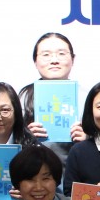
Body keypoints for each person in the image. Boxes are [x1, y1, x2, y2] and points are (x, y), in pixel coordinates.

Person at [18, 32, 83, 164]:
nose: (54, 60)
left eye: (61, 53)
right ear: (35, 61)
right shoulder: (24, 96)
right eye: (46, 54)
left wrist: (88, 139)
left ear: (73, 59)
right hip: (33, 169)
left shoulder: (88, 97)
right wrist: (26, 136)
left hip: (76, 171)